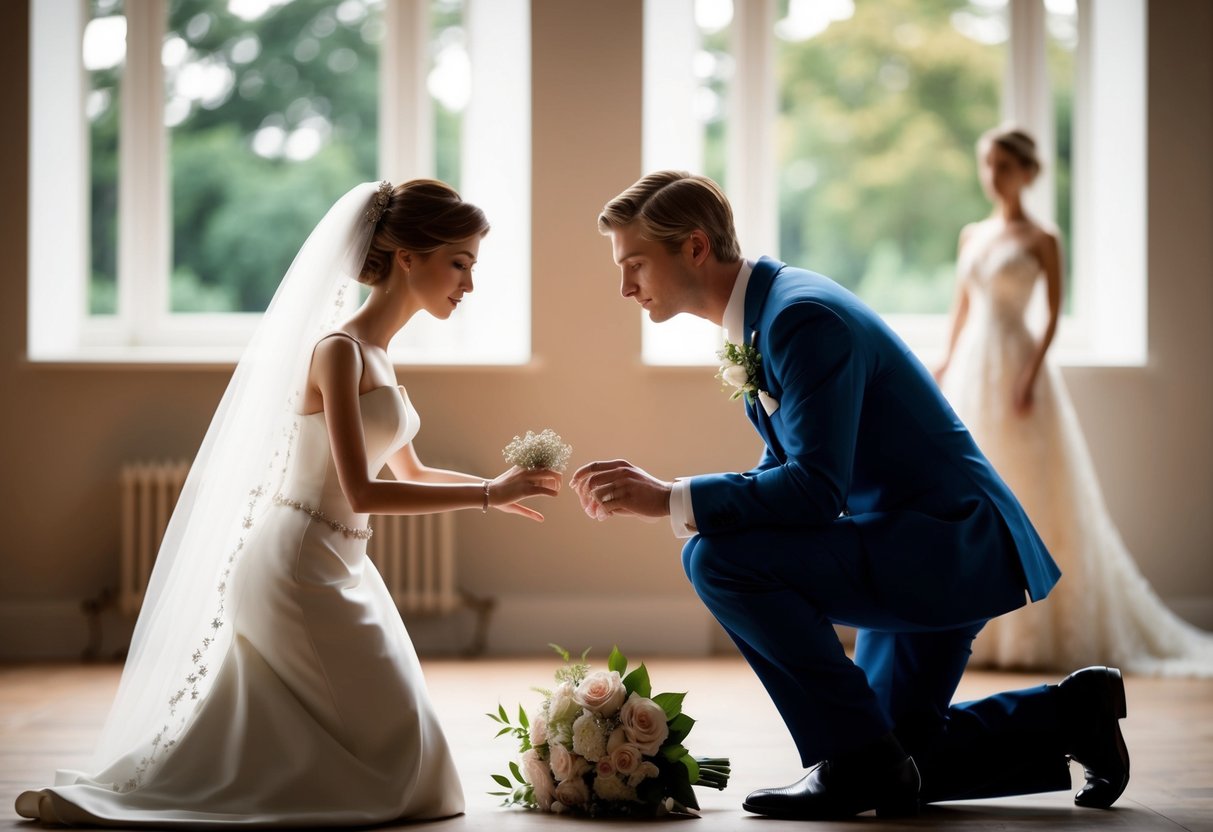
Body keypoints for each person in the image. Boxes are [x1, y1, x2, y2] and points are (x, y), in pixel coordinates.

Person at [570, 170, 1130, 819]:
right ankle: (1073, 711)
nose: (625, 285)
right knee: (900, 756)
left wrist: (671, 498)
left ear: (694, 246)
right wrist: (689, 503)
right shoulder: (771, 312)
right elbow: (792, 469)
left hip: (944, 542)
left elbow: (812, 489)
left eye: (634, 263)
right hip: (905, 535)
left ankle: (853, 764)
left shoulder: (800, 318)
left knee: (715, 558)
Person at [15, 180, 561, 826]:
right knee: (411, 775)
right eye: (460, 263)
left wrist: (500, 487)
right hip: (298, 569)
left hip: (344, 565)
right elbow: (361, 490)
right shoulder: (338, 351)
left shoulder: (381, 355)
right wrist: (485, 496)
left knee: (425, 771)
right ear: (409, 257)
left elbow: (410, 468)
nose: (468, 284)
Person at [935, 126, 1213, 676]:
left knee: (1033, 487)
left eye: (1003, 166)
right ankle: (974, 626)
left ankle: (1036, 624)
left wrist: (1030, 376)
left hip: (1018, 366)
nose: (992, 176)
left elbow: (1054, 314)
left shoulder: (1044, 239)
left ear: (1027, 172)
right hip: (973, 365)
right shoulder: (973, 234)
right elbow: (961, 306)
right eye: (986, 164)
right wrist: (944, 362)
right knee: (975, 487)